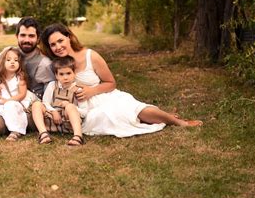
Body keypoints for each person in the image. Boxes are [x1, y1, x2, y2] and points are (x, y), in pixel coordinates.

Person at [40, 23, 203, 138]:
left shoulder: (90, 55)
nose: (58, 47)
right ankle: (164, 116)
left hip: (104, 96)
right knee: (113, 119)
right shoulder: (57, 64)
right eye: (53, 44)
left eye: (60, 40)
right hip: (82, 108)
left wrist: (91, 91)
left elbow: (111, 83)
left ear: (68, 37)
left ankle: (177, 122)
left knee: (132, 112)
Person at [32, 56, 87, 146]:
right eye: (61, 74)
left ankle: (78, 136)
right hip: (52, 121)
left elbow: (84, 112)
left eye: (68, 73)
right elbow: (45, 102)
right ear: (56, 76)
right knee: (36, 104)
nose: (65, 77)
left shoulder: (78, 90)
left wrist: (69, 106)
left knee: (70, 106)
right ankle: (43, 134)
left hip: (68, 123)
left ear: (74, 73)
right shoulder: (52, 85)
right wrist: (53, 111)